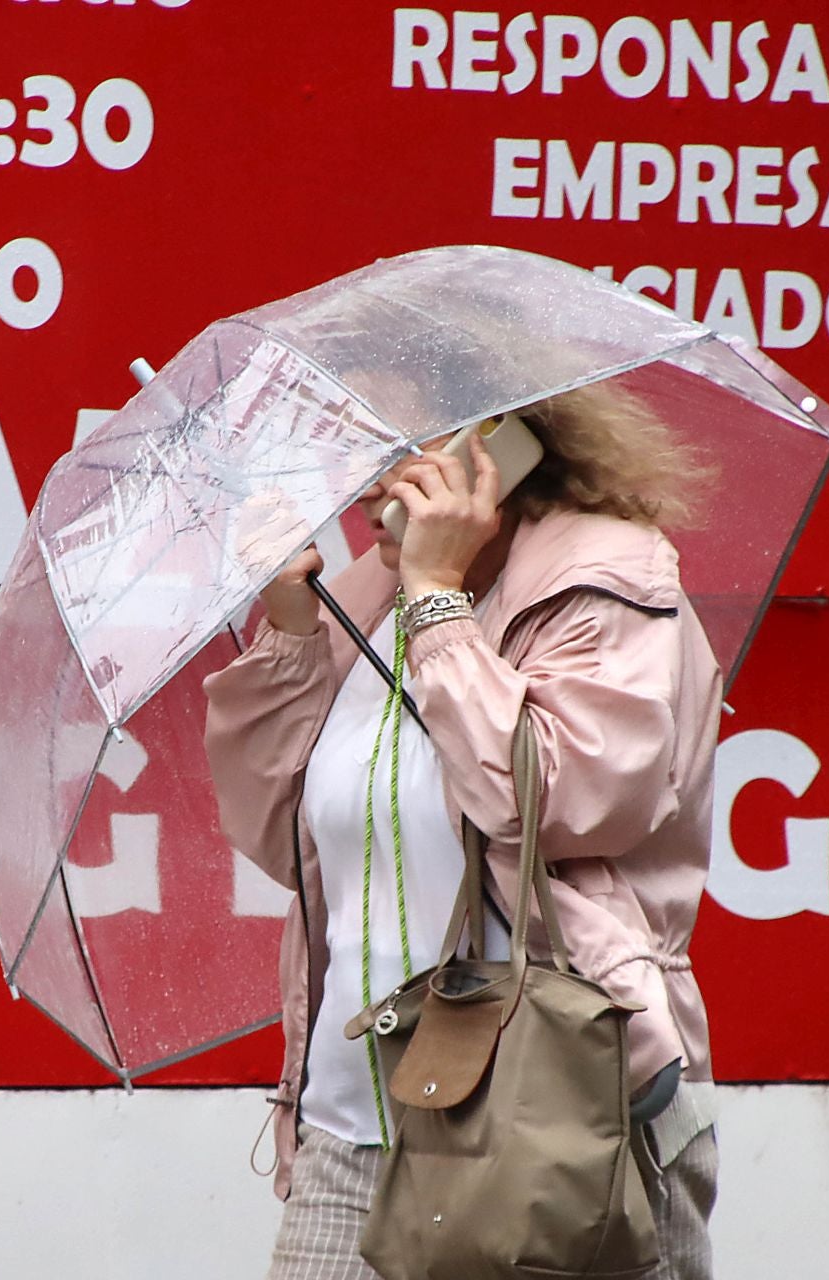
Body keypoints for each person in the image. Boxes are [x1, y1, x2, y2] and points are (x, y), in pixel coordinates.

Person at [202, 381, 722, 1280]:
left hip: (554, 1117)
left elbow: (552, 803)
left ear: (504, 442)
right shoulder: (368, 593)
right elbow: (277, 831)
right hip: (353, 1126)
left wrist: (439, 599)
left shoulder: (609, 577)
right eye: (356, 453)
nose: (365, 485)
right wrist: (291, 635)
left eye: (396, 450)